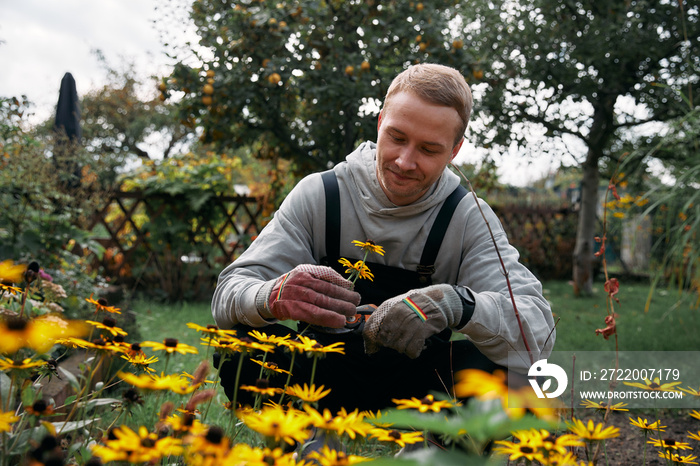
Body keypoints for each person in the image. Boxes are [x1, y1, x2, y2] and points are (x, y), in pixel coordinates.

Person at [211, 63, 555, 413]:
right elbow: (228, 293)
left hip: (418, 392)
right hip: (316, 380)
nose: (405, 162)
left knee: (519, 377)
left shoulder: (466, 216)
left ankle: (430, 452)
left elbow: (537, 337)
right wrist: (271, 296)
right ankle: (298, 445)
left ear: (454, 151)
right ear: (379, 124)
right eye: (397, 138)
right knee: (237, 344)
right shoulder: (322, 194)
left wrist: (459, 305)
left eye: (429, 149)